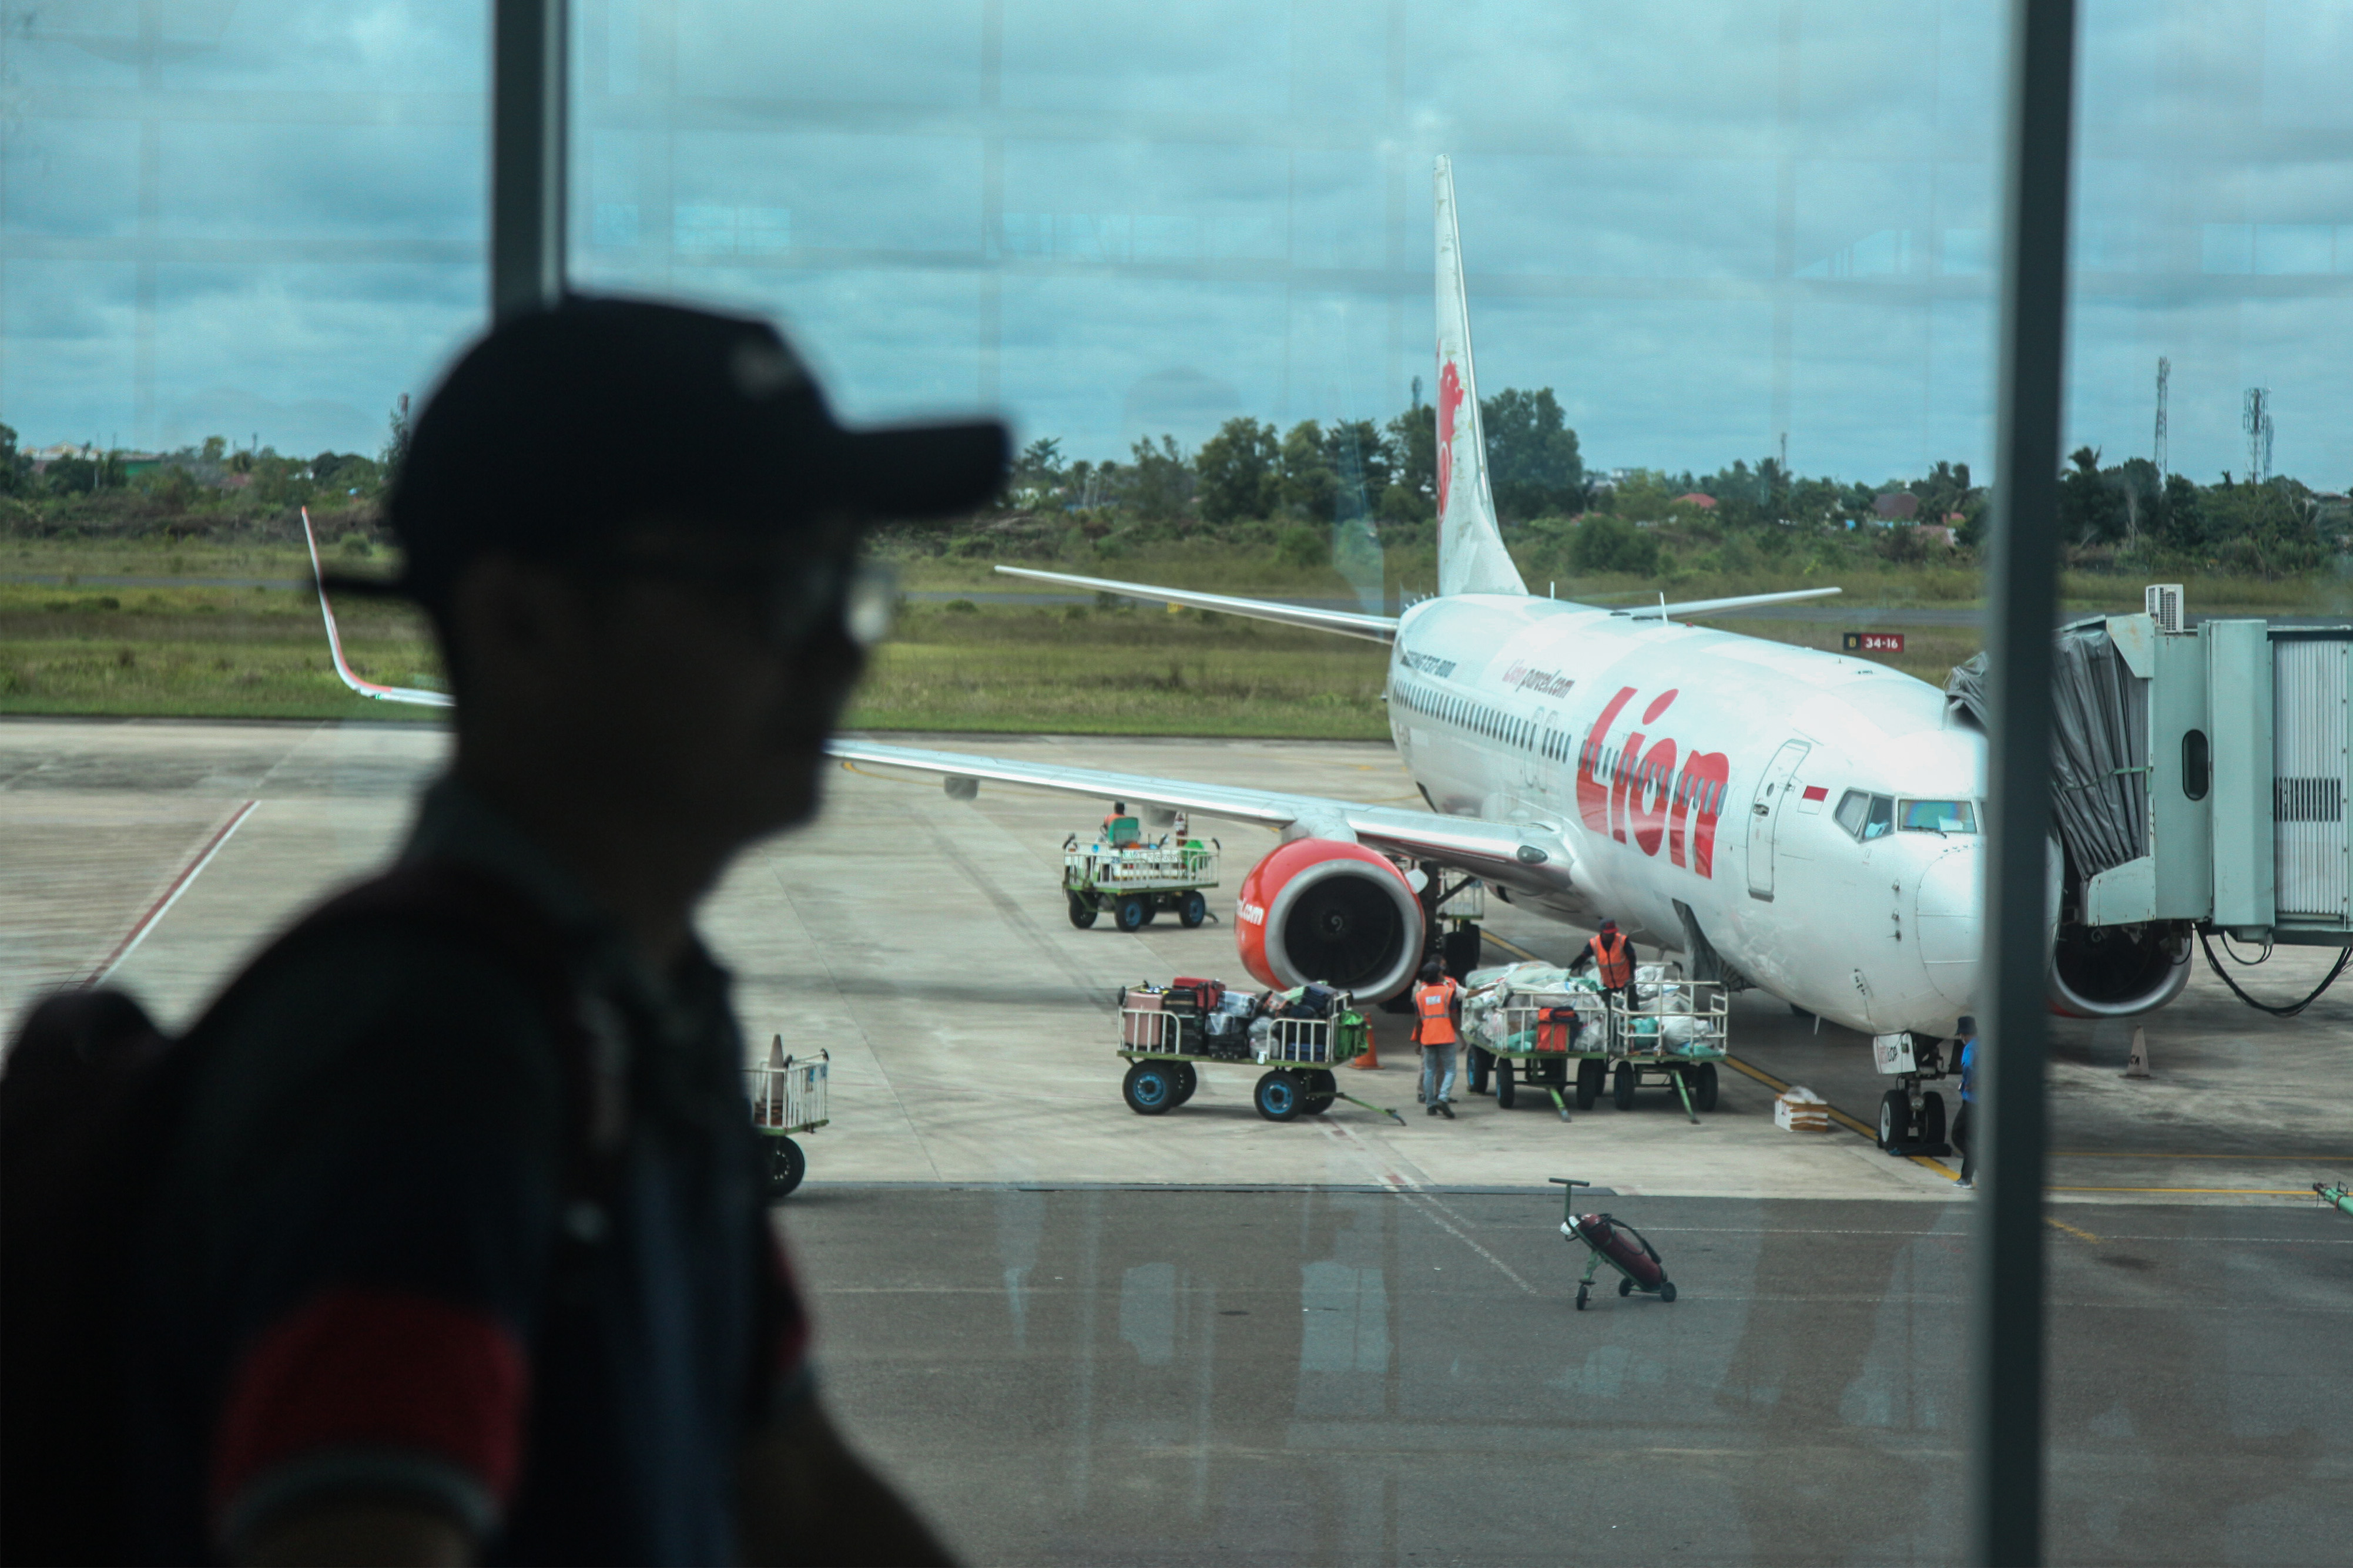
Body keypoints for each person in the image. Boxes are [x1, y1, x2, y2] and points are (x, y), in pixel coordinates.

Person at [121, 297, 1004, 1566]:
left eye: (844, 584)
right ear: (523, 622)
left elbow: (787, 1482)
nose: (836, 655)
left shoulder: (639, 1002)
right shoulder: (426, 1061)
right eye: (768, 587)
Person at [1411, 959, 1465, 1118]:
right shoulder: (1448, 993)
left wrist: (1418, 1042)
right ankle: (1442, 1098)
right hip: (1446, 1038)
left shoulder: (1420, 996)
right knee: (1450, 1070)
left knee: (1429, 1071)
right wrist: (1461, 1037)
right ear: (1437, 976)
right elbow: (1454, 1016)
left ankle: (1430, 1105)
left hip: (1428, 1038)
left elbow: (1418, 1021)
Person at [1952, 1014, 1979, 1189]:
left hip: (1972, 1100)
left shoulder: (1971, 1048)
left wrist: (1969, 1084)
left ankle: (1967, 1177)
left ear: (1963, 1034)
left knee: (1959, 1134)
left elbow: (1969, 1067)